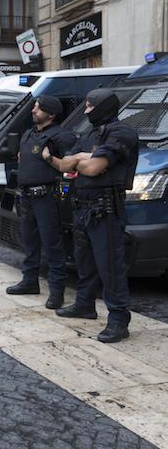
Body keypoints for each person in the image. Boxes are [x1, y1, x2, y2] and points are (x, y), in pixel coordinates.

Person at [42, 89, 138, 343]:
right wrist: (81, 157)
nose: (86, 111)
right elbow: (64, 164)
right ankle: (84, 305)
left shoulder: (121, 133)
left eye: (89, 106)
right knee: (85, 262)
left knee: (110, 267)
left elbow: (94, 169)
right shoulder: (90, 134)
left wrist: (81, 160)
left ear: (103, 106)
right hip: (82, 207)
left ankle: (119, 320)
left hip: (105, 209)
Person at [6, 95, 75, 309]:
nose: (34, 110)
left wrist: (48, 159)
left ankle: (57, 291)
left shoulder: (61, 136)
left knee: (52, 244)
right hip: (26, 196)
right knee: (30, 242)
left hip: (47, 196)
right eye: (34, 107)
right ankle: (29, 281)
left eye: (38, 108)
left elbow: (70, 167)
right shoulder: (29, 133)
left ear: (51, 114)